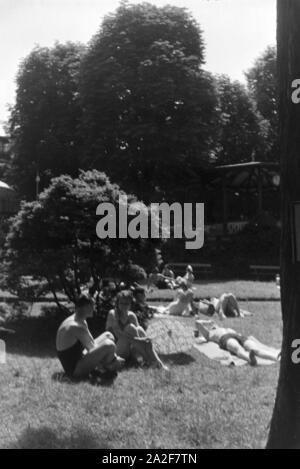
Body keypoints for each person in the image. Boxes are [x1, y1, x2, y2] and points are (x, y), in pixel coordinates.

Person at [56, 293, 124, 379]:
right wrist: (115, 359)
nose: (94, 309)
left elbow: (91, 344)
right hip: (75, 370)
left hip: (79, 359)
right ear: (87, 306)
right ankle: (109, 368)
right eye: (93, 306)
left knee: (108, 335)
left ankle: (107, 367)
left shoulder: (79, 319)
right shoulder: (76, 326)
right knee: (109, 345)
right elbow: (92, 348)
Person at [106, 290, 168, 370]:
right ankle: (150, 361)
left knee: (139, 329)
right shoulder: (113, 314)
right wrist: (140, 340)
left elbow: (138, 333)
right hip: (116, 350)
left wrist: (143, 340)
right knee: (131, 328)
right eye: (121, 303)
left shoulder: (131, 315)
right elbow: (119, 335)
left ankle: (157, 362)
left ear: (130, 304)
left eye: (126, 303)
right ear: (117, 303)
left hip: (130, 350)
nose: (123, 306)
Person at [195, 319, 280, 366]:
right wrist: (208, 322)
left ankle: (277, 358)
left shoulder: (223, 328)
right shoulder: (209, 333)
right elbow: (197, 323)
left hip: (238, 335)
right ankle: (250, 360)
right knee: (237, 348)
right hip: (224, 338)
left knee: (255, 349)